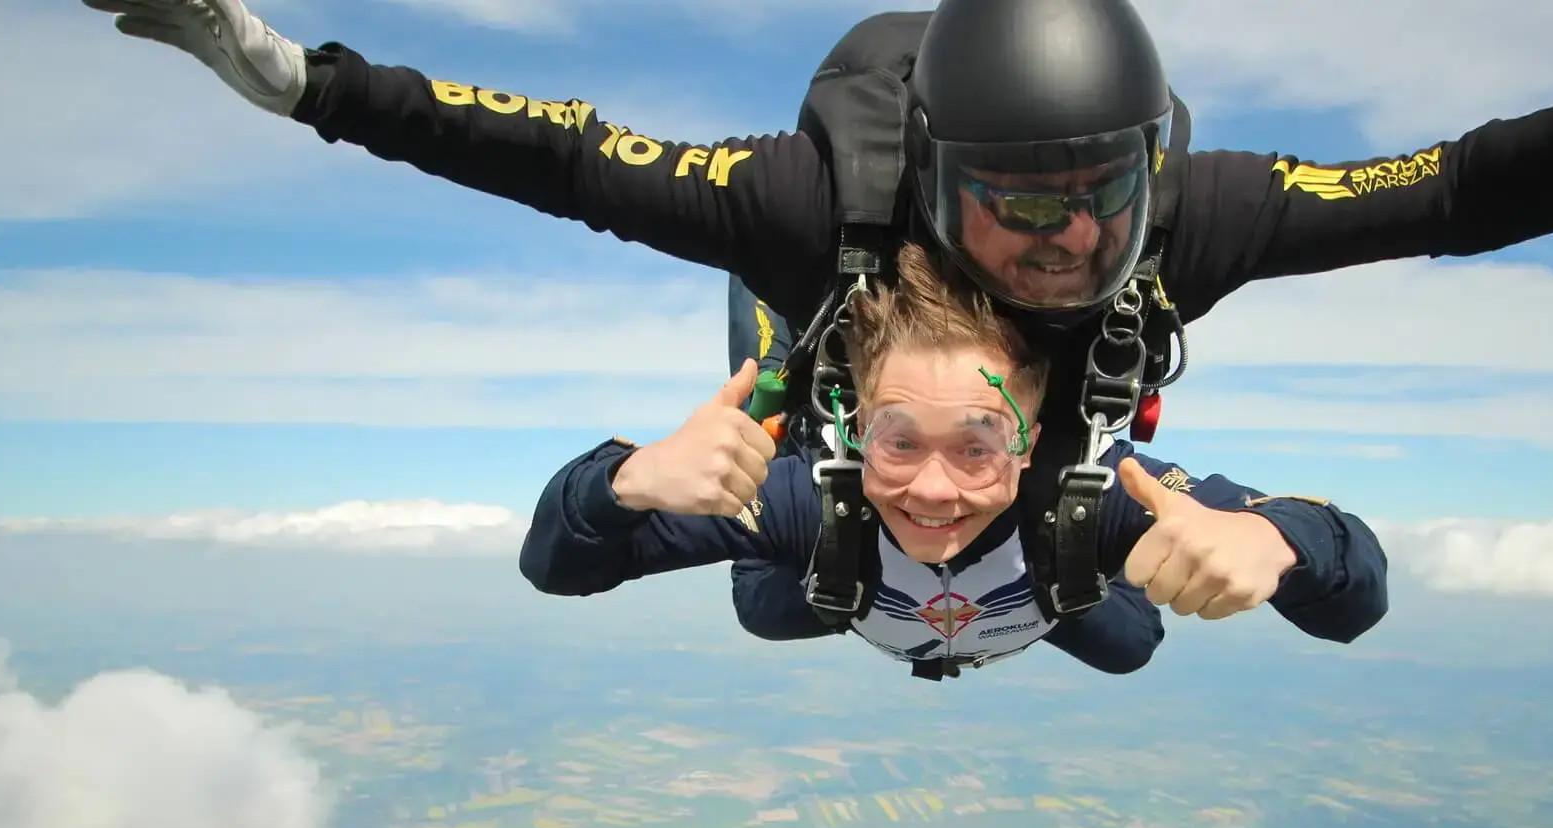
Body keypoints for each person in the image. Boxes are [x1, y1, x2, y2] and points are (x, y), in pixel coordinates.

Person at [82, 0, 1553, 621]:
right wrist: (299, 78)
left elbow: (1469, 185)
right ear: (937, 180)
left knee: (1114, 602)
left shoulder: (1185, 225)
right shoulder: (795, 205)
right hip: (831, 438)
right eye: (1019, 211)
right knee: (800, 579)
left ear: (1151, 167)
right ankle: (825, 477)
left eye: (1098, 205)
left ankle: (1007, 531)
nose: (1065, 251)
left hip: (1046, 500)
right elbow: (543, 153)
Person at [520, 243, 1386, 680]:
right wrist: (628, 480)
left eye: (977, 443)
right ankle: (778, 389)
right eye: (897, 439)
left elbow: (1354, 598)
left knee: (1129, 645)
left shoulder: (1094, 492)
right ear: (856, 425)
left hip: (1038, 579)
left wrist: (1280, 545)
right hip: (835, 576)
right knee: (769, 607)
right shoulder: (801, 501)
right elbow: (557, 566)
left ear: (1034, 432)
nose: (934, 488)